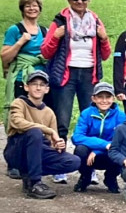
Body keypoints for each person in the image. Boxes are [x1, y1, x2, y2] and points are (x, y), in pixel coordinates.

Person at [41, 0, 112, 156]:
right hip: (66, 74)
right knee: (62, 119)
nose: (79, 2)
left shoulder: (95, 20)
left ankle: (90, 161)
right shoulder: (60, 21)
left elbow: (105, 55)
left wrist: (103, 38)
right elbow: (45, 51)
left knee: (91, 119)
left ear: (89, 0)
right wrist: (56, 37)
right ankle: (59, 158)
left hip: (89, 74)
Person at [3, 71, 80, 199]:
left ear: (47, 89)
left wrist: (57, 145)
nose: (38, 87)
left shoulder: (49, 112)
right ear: (26, 87)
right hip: (17, 150)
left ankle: (29, 174)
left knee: (74, 161)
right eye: (34, 84)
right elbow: (18, 122)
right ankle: (35, 183)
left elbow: (51, 141)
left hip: (38, 151)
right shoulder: (19, 103)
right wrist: (48, 130)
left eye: (42, 85)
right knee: (35, 133)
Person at [2, 0, 48, 128]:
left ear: (40, 9)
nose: (32, 8)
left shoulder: (45, 31)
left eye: (35, 5)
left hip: (42, 79)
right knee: (20, 115)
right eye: (28, 6)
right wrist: (20, 42)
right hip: (21, 79)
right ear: (22, 9)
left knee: (39, 115)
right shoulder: (15, 30)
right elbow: (4, 56)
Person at [71, 82, 126, 193]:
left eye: (108, 97)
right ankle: (86, 176)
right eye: (100, 97)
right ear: (93, 98)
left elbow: (120, 140)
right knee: (80, 150)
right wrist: (103, 145)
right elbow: (77, 137)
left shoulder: (120, 116)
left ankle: (110, 178)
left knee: (122, 150)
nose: (104, 101)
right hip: (91, 154)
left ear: (113, 98)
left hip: (109, 153)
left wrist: (96, 151)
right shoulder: (86, 114)